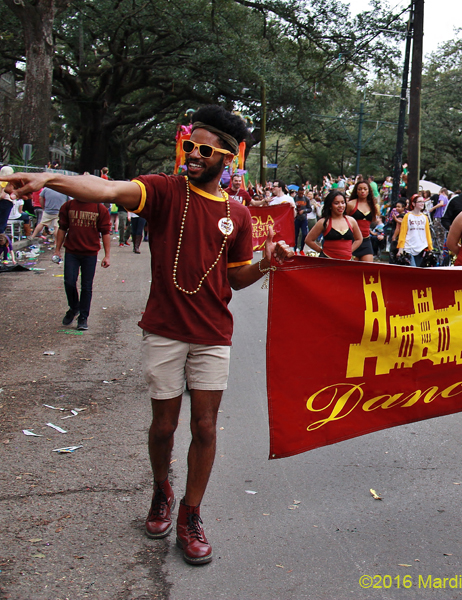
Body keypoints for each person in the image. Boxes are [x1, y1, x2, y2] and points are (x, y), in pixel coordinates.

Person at [3, 105, 294, 566]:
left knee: (205, 426)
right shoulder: (162, 190)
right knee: (164, 426)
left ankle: (190, 514)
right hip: (163, 330)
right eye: (188, 146)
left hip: (213, 334)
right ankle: (162, 490)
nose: (192, 155)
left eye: (203, 149)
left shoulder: (237, 214)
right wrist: (48, 179)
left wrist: (266, 262)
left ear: (227, 158)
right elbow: (106, 188)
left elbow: (236, 277)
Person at [53, 195, 112, 330]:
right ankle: (74, 307)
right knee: (69, 281)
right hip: (72, 251)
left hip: (90, 253)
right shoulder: (68, 206)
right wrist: (57, 250)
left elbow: (105, 232)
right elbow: (62, 228)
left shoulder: (99, 208)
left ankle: (83, 317)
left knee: (86, 286)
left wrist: (107, 255)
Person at [304, 190, 362, 260]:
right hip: (328, 261)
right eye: (336, 203)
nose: (340, 206)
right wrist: (321, 251)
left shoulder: (351, 221)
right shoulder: (323, 222)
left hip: (347, 261)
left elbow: (359, 239)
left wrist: (349, 251)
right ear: (330, 206)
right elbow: (308, 240)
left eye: (343, 203)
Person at [397, 194, 433, 267]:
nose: (422, 203)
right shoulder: (408, 216)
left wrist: (430, 247)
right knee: (412, 269)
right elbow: (403, 233)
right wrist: (400, 249)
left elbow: (427, 233)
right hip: (409, 248)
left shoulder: (424, 217)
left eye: (422, 201)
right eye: (419, 202)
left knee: (419, 270)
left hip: (422, 248)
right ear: (413, 203)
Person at [347, 180, 377, 262]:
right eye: (359, 189)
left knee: (368, 269)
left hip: (366, 241)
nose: (362, 191)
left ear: (369, 191)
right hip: (353, 241)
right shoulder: (350, 204)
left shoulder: (372, 206)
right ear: (356, 191)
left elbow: (374, 221)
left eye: (365, 189)